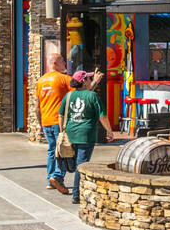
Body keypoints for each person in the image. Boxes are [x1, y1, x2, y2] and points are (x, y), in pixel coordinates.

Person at [59, 69, 115, 204]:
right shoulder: (92, 96)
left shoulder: (68, 96)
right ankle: (76, 195)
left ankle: (71, 180)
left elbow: (60, 115)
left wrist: (62, 132)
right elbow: (103, 116)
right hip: (86, 134)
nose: (90, 81)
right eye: (89, 79)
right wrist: (109, 131)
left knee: (75, 162)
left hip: (71, 133)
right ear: (83, 81)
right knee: (82, 164)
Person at [36, 53, 74, 193]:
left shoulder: (41, 81)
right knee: (62, 151)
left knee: (52, 150)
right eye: (63, 61)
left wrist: (40, 124)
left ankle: (49, 180)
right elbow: (81, 94)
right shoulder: (64, 79)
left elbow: (37, 107)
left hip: (46, 122)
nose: (65, 63)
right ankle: (57, 178)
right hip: (59, 122)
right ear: (55, 64)